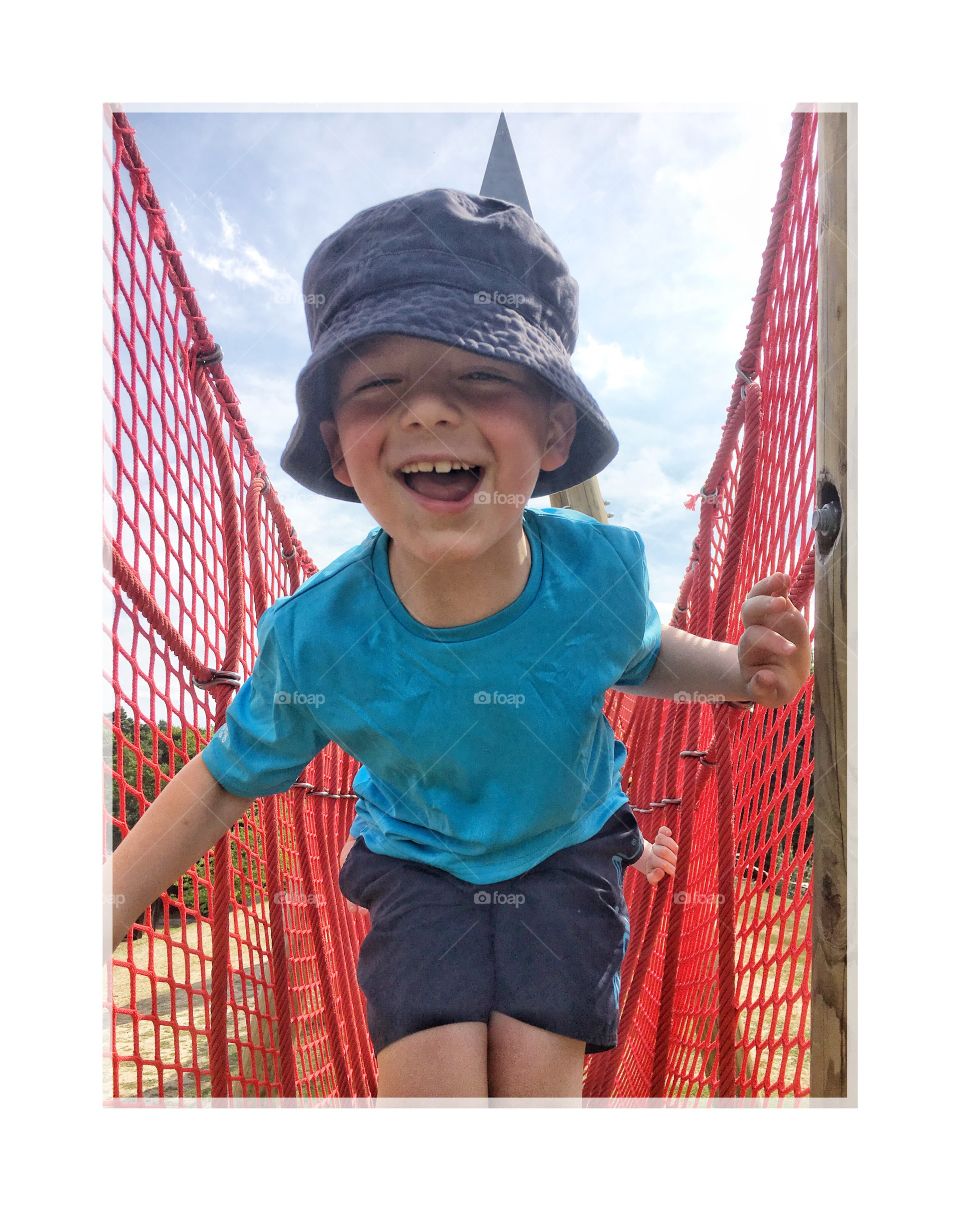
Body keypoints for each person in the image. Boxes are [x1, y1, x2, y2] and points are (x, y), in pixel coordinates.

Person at [107, 189, 811, 1100]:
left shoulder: (598, 573)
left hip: (566, 847)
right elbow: (217, 783)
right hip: (418, 859)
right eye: (379, 386)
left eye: (482, 375)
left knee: (529, 1093)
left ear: (555, 431)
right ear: (338, 441)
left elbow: (645, 654)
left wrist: (736, 672)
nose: (428, 412)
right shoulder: (318, 637)